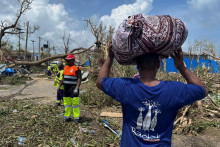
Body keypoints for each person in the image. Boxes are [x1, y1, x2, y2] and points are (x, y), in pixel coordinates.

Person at [96, 45, 208, 147]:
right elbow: (202, 90)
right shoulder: (174, 90)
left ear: (137, 66)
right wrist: (181, 67)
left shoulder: (126, 86)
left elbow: (100, 82)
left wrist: (110, 57)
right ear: (158, 65)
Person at [60, 54, 82, 122]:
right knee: (67, 104)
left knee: (75, 104)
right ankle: (67, 117)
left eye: (69, 60)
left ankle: (76, 118)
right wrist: (59, 86)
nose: (68, 62)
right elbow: (63, 78)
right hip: (66, 89)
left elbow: (79, 78)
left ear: (73, 60)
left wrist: (77, 88)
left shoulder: (76, 68)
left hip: (73, 89)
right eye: (67, 60)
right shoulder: (65, 68)